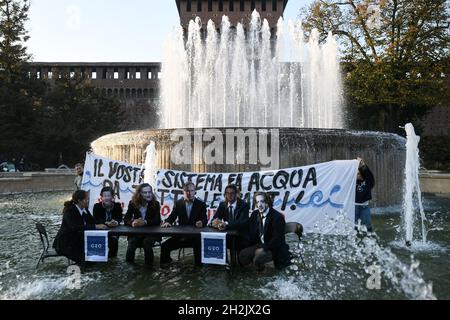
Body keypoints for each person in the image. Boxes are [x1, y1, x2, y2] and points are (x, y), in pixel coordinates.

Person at [239, 192, 291, 271]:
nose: (260, 205)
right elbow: (247, 227)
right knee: (243, 255)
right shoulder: (255, 214)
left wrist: (264, 248)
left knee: (258, 258)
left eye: (262, 201)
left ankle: (265, 274)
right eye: (257, 202)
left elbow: (278, 239)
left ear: (268, 202)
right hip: (260, 244)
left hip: (274, 248)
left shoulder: (277, 217)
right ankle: (258, 271)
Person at [53, 190, 108, 264]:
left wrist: (106, 223)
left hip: (78, 241)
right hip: (65, 243)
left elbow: (93, 221)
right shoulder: (70, 211)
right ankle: (82, 271)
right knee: (87, 258)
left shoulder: (84, 209)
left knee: (95, 252)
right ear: (79, 200)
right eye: (86, 199)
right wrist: (96, 226)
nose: (88, 201)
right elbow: (75, 227)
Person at [160, 182, 207, 267]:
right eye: (187, 191)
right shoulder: (178, 203)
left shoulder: (201, 204)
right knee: (164, 246)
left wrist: (202, 222)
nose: (189, 193)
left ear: (195, 191)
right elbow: (172, 216)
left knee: (199, 246)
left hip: (195, 237)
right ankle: (165, 268)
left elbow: (205, 219)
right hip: (180, 236)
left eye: (192, 191)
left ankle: (198, 269)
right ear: (183, 191)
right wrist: (168, 222)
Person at [124, 183, 161, 266]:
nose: (148, 194)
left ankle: (149, 268)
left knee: (146, 242)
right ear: (139, 194)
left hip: (151, 233)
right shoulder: (132, 203)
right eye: (145, 192)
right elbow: (126, 219)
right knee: (132, 242)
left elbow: (157, 220)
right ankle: (128, 267)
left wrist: (145, 222)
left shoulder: (156, 204)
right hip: (137, 233)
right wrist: (133, 222)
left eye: (149, 192)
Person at [211, 184, 250, 253]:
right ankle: (222, 262)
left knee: (234, 242)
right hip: (228, 234)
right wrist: (215, 222)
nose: (229, 195)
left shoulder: (244, 205)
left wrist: (226, 224)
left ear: (236, 194)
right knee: (216, 240)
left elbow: (242, 222)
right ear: (225, 194)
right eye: (227, 193)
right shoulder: (222, 204)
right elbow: (215, 218)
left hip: (241, 235)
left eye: (232, 193)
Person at [93, 186, 123, 258]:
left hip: (114, 231)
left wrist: (116, 222)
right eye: (104, 196)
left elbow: (119, 218)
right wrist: (106, 222)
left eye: (108, 196)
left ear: (112, 197)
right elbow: (95, 219)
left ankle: (112, 259)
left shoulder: (117, 206)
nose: (106, 198)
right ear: (101, 197)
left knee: (114, 241)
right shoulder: (97, 206)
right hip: (101, 231)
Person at [355, 157, 375, 232]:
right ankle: (355, 237)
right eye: (356, 174)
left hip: (364, 207)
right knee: (353, 225)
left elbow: (369, 175)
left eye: (359, 174)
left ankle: (371, 235)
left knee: (368, 223)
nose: (358, 175)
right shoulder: (351, 182)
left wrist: (362, 164)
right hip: (353, 207)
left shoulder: (367, 182)